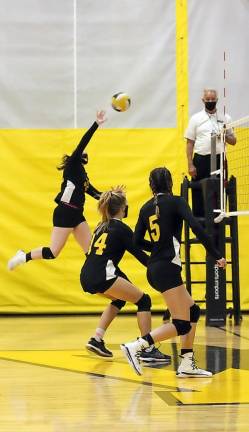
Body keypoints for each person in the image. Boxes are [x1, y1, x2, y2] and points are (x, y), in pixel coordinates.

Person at [121, 167, 226, 377]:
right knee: (181, 323)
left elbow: (136, 241)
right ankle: (137, 346)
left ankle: (187, 363)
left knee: (192, 311)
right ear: (170, 183)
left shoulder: (145, 207)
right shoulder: (176, 201)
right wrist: (216, 255)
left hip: (155, 267)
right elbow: (196, 227)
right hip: (167, 267)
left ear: (151, 186)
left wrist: (159, 247)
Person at [80, 186, 170, 363]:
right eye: (126, 205)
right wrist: (162, 264)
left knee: (119, 299)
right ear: (122, 208)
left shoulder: (101, 226)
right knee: (144, 300)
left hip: (86, 275)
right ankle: (147, 348)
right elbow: (140, 255)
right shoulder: (121, 228)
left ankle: (96, 339)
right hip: (102, 274)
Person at [8, 110, 107, 270]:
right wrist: (96, 124)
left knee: (91, 251)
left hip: (76, 214)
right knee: (53, 252)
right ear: (77, 154)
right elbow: (83, 142)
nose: (86, 153)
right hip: (65, 211)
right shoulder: (73, 165)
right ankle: (23, 256)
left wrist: (112, 195)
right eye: (83, 152)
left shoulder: (81, 174)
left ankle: (100, 277)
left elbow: (94, 193)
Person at [184, 88, 236, 217]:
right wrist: (190, 164)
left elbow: (233, 141)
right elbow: (190, 143)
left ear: (217, 100)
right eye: (208, 100)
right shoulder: (195, 118)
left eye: (213, 99)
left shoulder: (225, 118)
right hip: (201, 160)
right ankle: (201, 227)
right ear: (203, 100)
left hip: (220, 160)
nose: (210, 101)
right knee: (198, 193)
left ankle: (218, 227)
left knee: (219, 194)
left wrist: (224, 134)